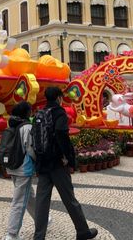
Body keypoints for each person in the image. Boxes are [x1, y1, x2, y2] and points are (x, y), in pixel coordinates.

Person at [33, 87, 97, 240]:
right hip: (57, 163)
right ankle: (83, 231)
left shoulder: (39, 113)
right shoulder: (59, 112)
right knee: (69, 198)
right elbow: (62, 135)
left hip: (42, 163)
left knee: (41, 201)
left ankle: (39, 236)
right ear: (58, 98)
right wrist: (69, 158)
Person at [4, 101, 39, 240]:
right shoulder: (27, 127)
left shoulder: (11, 124)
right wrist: (38, 162)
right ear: (26, 113)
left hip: (12, 166)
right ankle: (12, 234)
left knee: (29, 196)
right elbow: (30, 149)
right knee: (19, 201)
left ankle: (42, 220)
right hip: (24, 168)